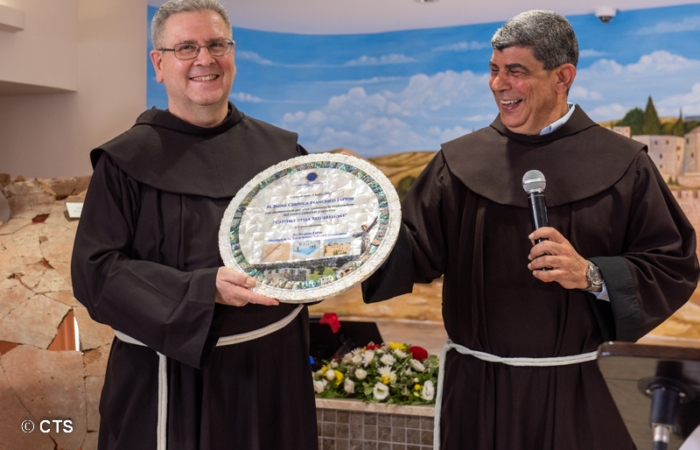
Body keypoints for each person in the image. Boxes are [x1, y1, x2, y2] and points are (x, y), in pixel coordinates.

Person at [363, 10, 699, 450]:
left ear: (563, 77)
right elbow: (411, 248)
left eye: (516, 72)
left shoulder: (624, 163)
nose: (498, 84)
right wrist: (352, 235)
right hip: (480, 392)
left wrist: (592, 275)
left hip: (582, 393)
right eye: (494, 70)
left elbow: (672, 264)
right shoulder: (459, 162)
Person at [71, 1, 317, 449]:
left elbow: (311, 250)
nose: (205, 59)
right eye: (186, 47)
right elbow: (95, 273)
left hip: (269, 373)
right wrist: (204, 290)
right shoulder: (125, 162)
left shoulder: (282, 155)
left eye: (216, 44)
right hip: (169, 377)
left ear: (233, 54)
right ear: (159, 63)